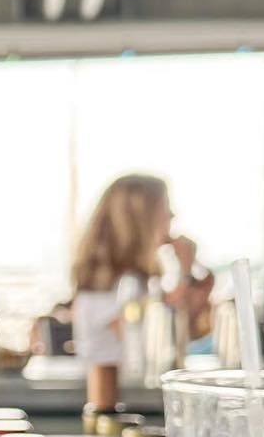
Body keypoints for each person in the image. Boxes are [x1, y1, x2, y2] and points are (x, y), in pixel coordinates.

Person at [71, 174, 212, 410]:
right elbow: (148, 340)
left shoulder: (138, 282)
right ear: (140, 220)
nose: (173, 216)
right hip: (116, 406)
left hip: (135, 401)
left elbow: (187, 334)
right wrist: (185, 273)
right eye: (165, 208)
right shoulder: (111, 288)